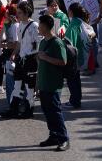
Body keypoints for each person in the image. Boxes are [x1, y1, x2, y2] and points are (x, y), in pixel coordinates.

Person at [35, 13, 71, 151]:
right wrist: (38, 84)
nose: (38, 27)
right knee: (47, 111)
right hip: (44, 83)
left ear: (45, 26)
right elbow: (40, 64)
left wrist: (45, 57)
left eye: (40, 25)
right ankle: (53, 135)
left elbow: (63, 61)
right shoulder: (43, 42)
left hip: (53, 84)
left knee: (55, 111)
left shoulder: (57, 42)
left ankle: (64, 139)